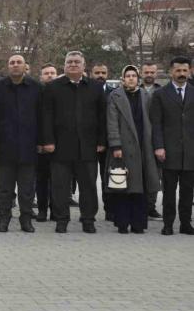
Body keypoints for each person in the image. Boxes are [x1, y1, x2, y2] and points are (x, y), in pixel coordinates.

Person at [41, 51, 107, 234]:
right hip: (60, 146)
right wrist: (48, 141)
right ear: (64, 65)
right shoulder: (53, 87)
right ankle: (61, 220)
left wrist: (102, 140)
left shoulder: (95, 87)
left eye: (77, 62)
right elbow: (46, 116)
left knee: (89, 186)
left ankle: (88, 220)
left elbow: (103, 116)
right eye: (69, 62)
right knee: (60, 187)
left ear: (83, 66)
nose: (73, 64)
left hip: (88, 146)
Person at [105, 65, 160, 234]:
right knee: (122, 186)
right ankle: (122, 223)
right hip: (123, 147)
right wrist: (116, 145)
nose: (131, 78)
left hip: (143, 147)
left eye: (133, 76)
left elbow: (152, 119)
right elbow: (112, 122)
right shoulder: (115, 95)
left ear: (138, 78)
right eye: (127, 75)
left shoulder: (145, 95)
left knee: (140, 187)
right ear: (123, 78)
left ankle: (138, 224)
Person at [0, 54, 40, 232]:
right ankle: (3, 219)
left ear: (25, 66)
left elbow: (42, 116)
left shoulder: (36, 87)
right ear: (8, 66)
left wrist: (42, 141)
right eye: (12, 62)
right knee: (5, 188)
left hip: (29, 146)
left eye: (19, 62)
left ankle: (26, 219)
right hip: (5, 146)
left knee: (27, 188)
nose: (15, 65)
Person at [149, 56, 194, 235]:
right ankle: (168, 224)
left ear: (189, 71)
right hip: (168, 151)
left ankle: (185, 224)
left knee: (188, 191)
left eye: (184, 70)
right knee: (169, 191)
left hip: (190, 152)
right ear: (170, 72)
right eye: (178, 70)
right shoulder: (160, 94)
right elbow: (156, 123)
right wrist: (159, 146)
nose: (181, 73)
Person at [92, 63, 115, 221]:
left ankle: (110, 210)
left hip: (109, 142)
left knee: (107, 177)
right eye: (97, 72)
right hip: (89, 142)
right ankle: (89, 211)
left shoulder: (114, 93)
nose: (100, 75)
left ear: (108, 74)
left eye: (103, 72)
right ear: (91, 74)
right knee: (89, 179)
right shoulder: (86, 91)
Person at [140, 62, 163, 220]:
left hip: (156, 138)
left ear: (156, 73)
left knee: (154, 174)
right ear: (141, 73)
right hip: (138, 138)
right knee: (138, 174)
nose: (149, 75)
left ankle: (150, 207)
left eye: (152, 72)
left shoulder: (162, 92)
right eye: (146, 72)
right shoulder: (135, 90)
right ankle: (139, 207)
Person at [35, 64, 58, 221]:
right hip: (41, 145)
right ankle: (42, 210)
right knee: (41, 180)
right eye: (46, 73)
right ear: (41, 76)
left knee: (58, 180)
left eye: (52, 73)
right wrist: (39, 142)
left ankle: (56, 210)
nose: (50, 75)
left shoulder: (62, 92)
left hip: (59, 143)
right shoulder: (37, 93)